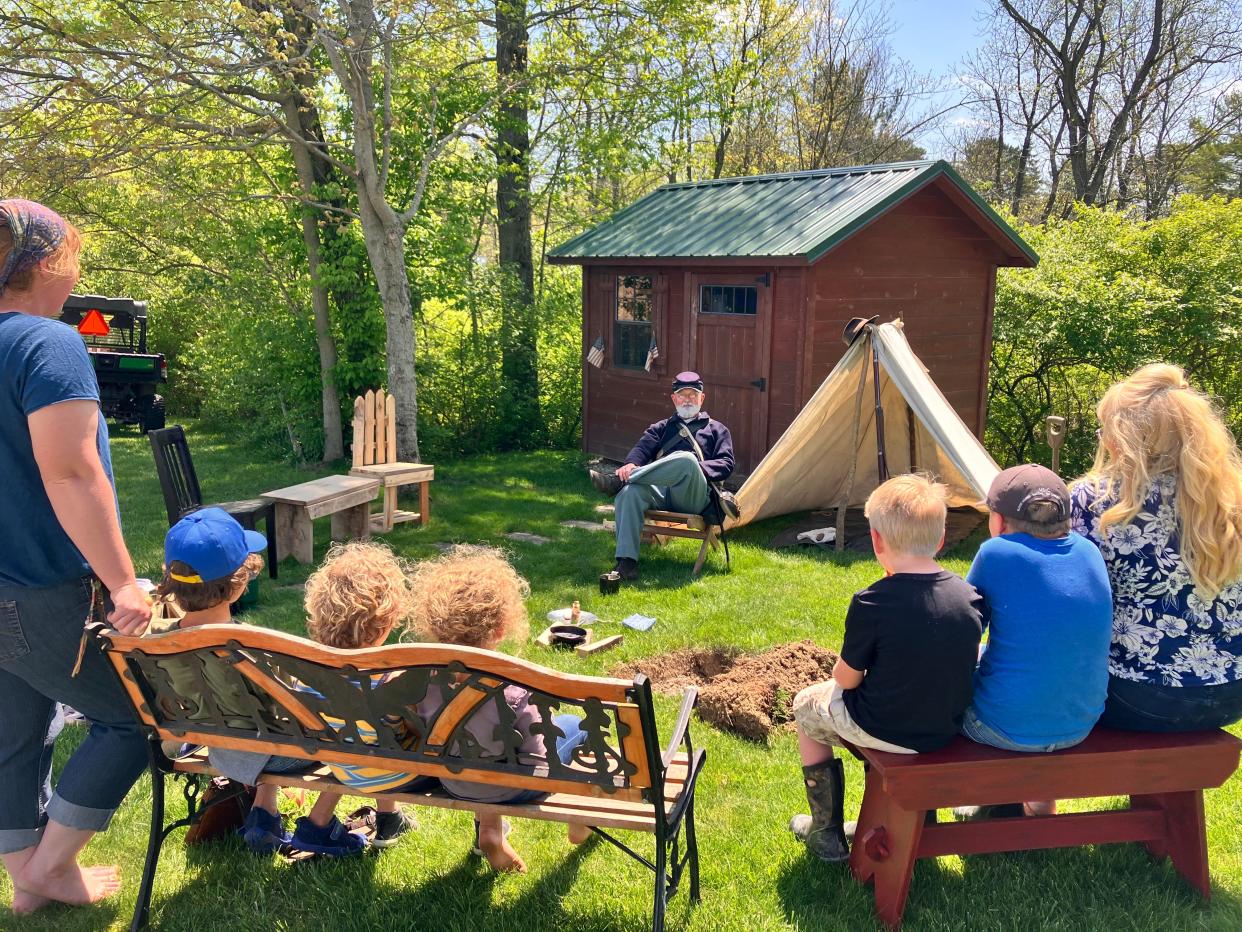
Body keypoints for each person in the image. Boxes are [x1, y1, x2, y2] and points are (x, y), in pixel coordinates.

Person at [0, 199, 153, 915]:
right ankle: (46, 871)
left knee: (15, 730)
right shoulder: (47, 345)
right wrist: (125, 583)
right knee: (133, 716)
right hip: (43, 586)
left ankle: (29, 880)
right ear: (48, 263)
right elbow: (72, 473)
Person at [787, 474, 984, 862]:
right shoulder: (970, 597)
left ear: (877, 541)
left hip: (884, 727)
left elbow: (845, 678)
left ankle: (825, 834)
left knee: (805, 704)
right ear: (941, 539)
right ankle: (891, 817)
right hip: (944, 727)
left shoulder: (872, 602)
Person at [1070, 364, 1242, 731]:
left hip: (1137, 692)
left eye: (1105, 430)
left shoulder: (1092, 498)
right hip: (1233, 690)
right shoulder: (1232, 495)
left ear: (1124, 436)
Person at [406, 545, 591, 873]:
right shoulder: (513, 687)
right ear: (501, 628)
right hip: (512, 787)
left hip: (453, 781)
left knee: (485, 748)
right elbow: (538, 760)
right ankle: (580, 817)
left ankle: (490, 830)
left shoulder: (421, 683)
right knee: (576, 727)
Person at [240, 541, 419, 857]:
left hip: (344, 764)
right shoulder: (394, 677)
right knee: (379, 743)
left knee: (354, 743)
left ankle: (383, 818)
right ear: (387, 622)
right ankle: (387, 816)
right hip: (396, 773)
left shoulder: (309, 677)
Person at [956, 465, 1112, 820]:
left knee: (939, 692)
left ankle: (935, 811)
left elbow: (964, 631)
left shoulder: (996, 553)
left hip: (1004, 727)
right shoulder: (1088, 552)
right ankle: (1038, 804)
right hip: (1080, 722)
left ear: (997, 520)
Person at [589, 371, 734, 582]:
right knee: (629, 493)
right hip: (661, 492)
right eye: (682, 395)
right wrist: (630, 465)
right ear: (674, 399)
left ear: (702, 398)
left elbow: (726, 464)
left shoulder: (717, 430)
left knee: (686, 459)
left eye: (692, 395)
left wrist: (693, 468)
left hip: (693, 496)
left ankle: (618, 480)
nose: (687, 400)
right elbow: (640, 451)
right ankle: (626, 563)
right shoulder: (661, 428)